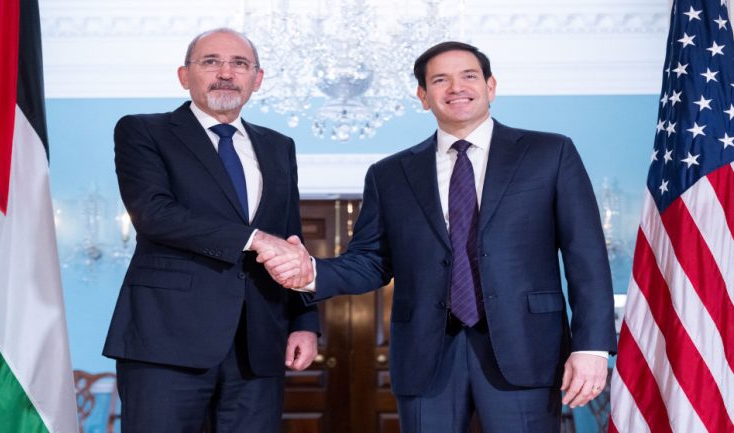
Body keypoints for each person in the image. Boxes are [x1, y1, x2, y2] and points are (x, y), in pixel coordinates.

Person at [264, 41, 617, 433]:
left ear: (490, 86)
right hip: (425, 355)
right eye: (440, 80)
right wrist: (312, 273)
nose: (456, 88)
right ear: (423, 96)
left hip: (526, 347)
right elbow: (371, 261)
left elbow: (586, 256)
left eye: (468, 76)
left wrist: (591, 346)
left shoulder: (550, 153)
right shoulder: (389, 174)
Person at [102, 28, 319, 433]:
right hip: (166, 340)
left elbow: (291, 239)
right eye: (211, 62)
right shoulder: (143, 131)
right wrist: (254, 239)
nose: (226, 73)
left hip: (259, 342)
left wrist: (304, 322)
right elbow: (154, 213)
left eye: (239, 64)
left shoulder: (279, 146)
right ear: (184, 76)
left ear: (257, 78)